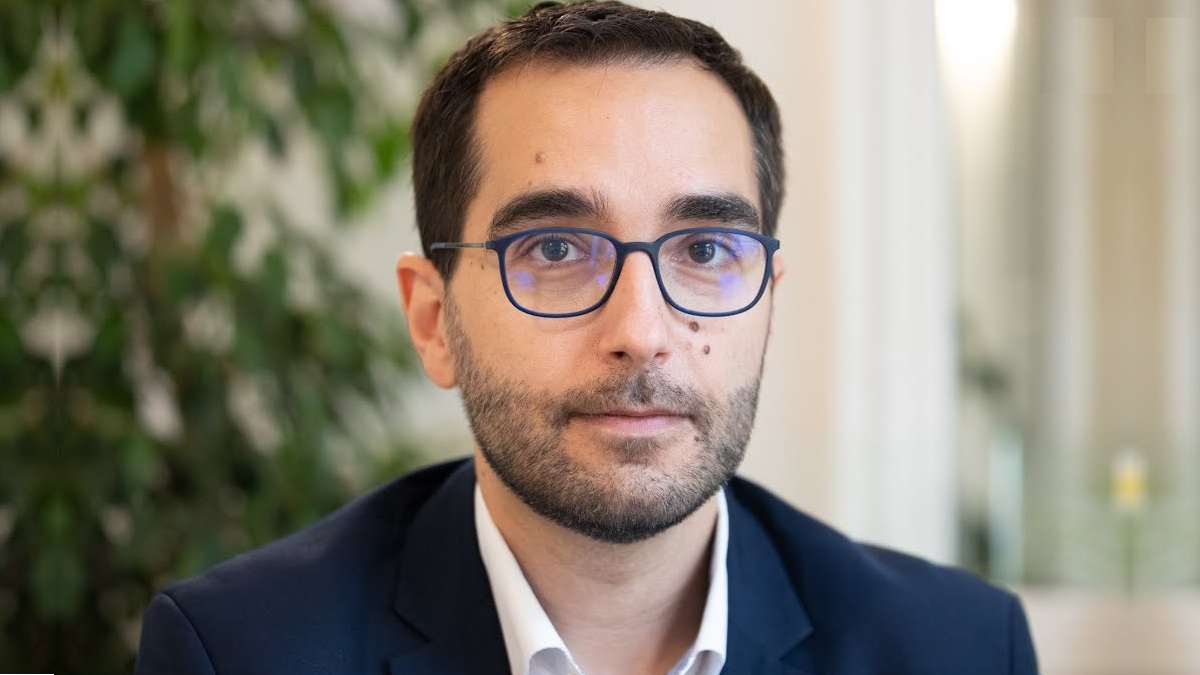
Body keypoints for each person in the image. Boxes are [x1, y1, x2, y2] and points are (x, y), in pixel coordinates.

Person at [134, 2, 1040, 674]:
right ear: (433, 319)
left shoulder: (956, 650)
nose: (641, 332)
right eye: (556, 249)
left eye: (705, 249)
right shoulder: (240, 652)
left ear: (767, 298)